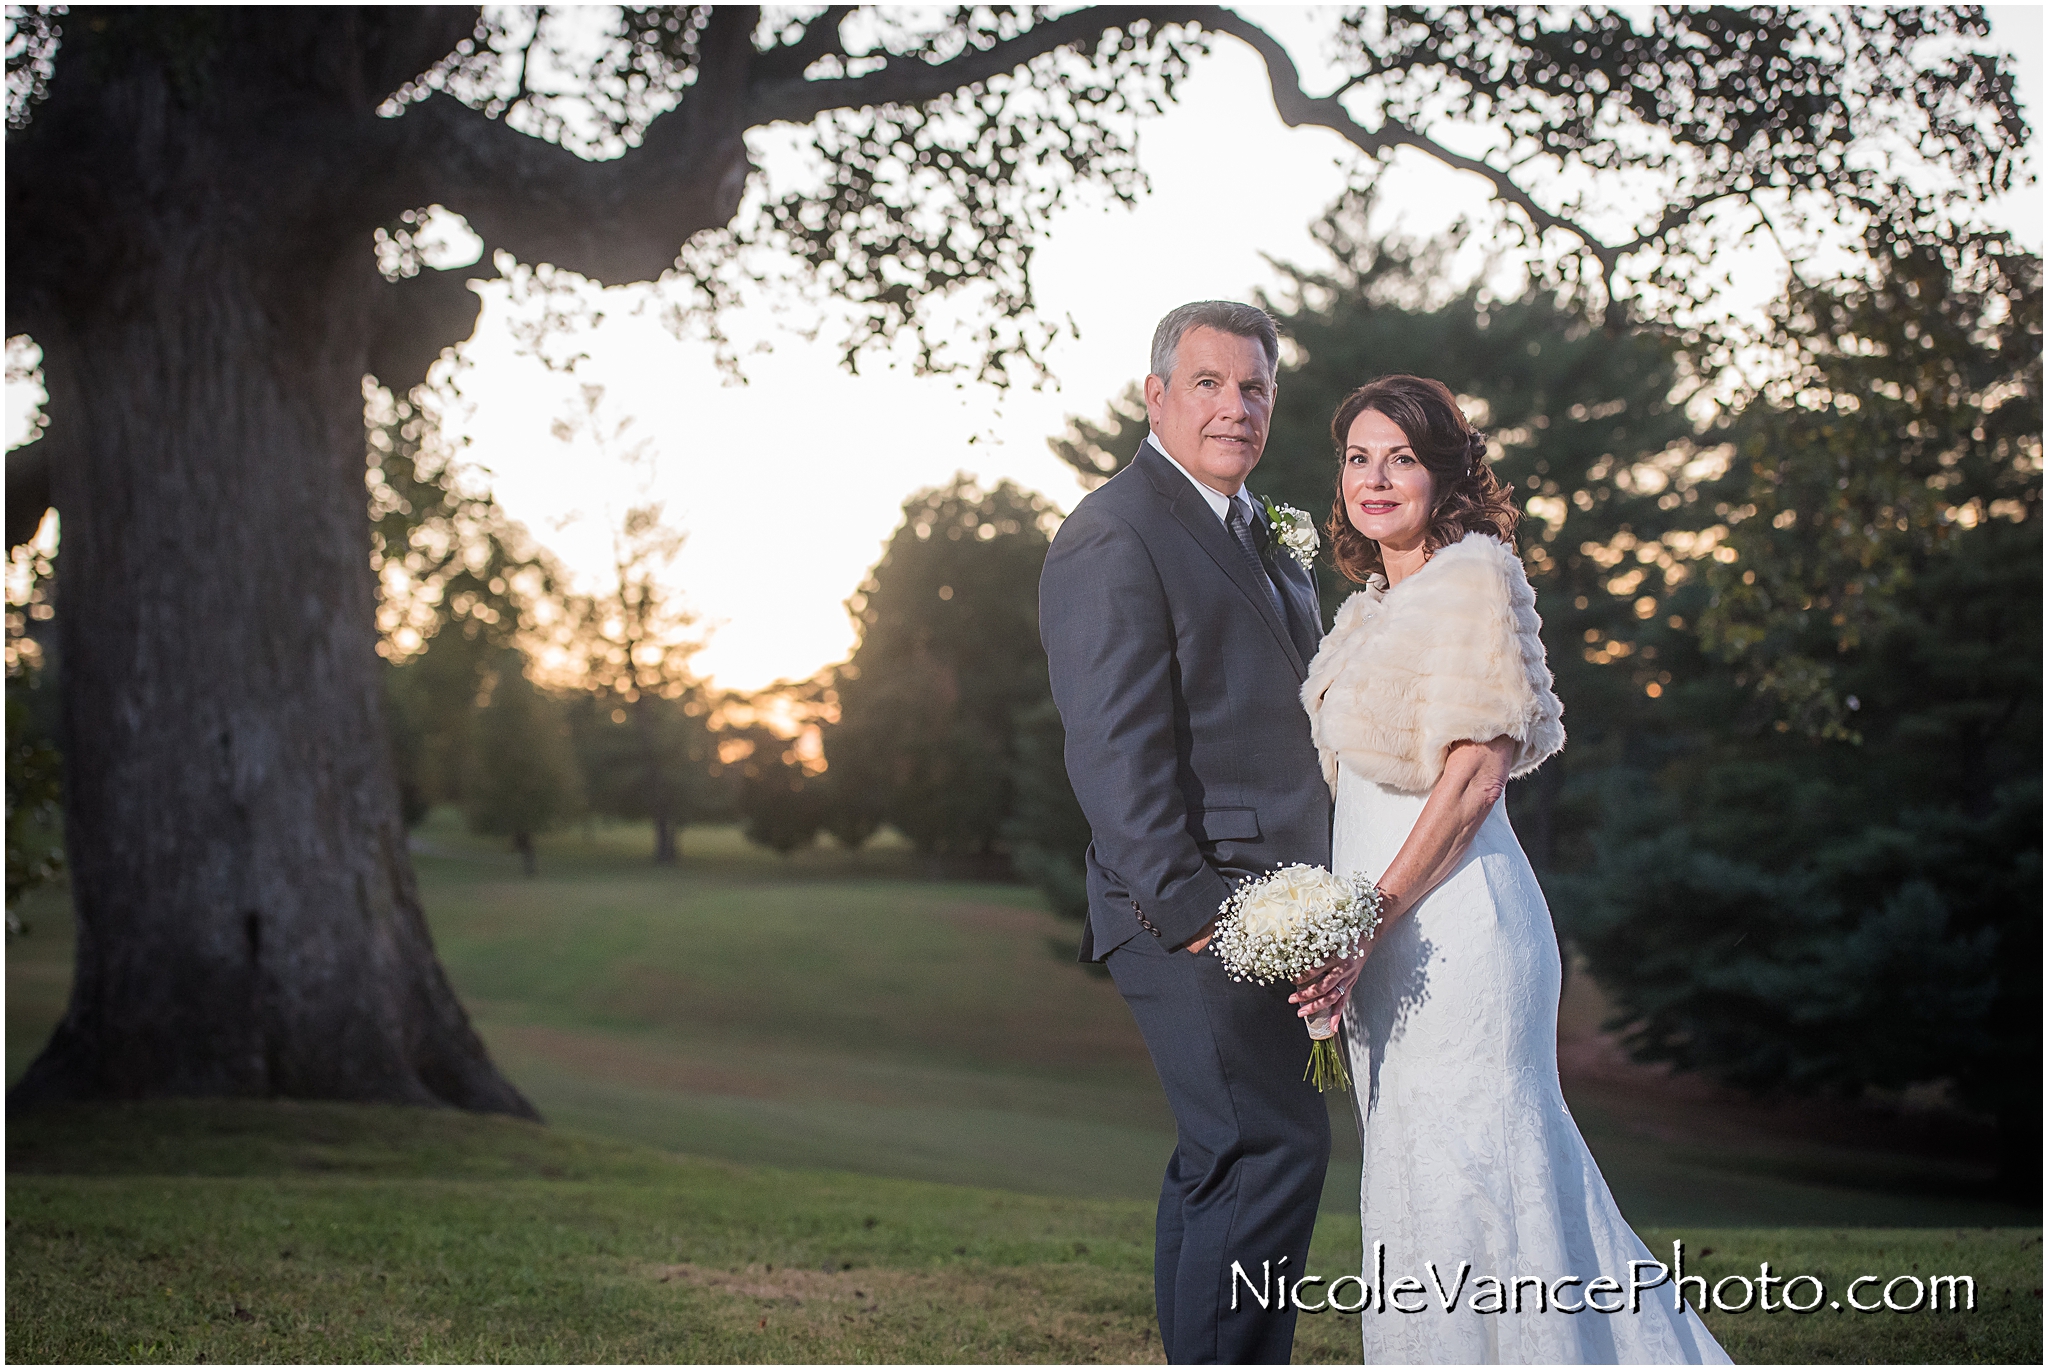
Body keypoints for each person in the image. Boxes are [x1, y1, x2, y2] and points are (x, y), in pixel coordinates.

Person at [1291, 375, 1730, 1363]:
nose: (1374, 477)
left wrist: (1367, 915)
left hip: (1450, 929)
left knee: (1477, 1170)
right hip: (1379, 936)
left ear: (1444, 470)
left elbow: (1473, 779)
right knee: (1413, 1173)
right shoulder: (1366, 610)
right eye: (1358, 456)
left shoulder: (1471, 577)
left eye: (1400, 456)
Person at [1039, 300, 1334, 1364]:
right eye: (1207, 382)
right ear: (1154, 395)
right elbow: (1111, 749)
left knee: (1222, 1155)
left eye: (1253, 386)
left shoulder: (1259, 528)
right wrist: (1196, 911)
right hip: (1190, 906)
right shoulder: (1113, 530)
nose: (1234, 406)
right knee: (1265, 1146)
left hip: (1271, 897)